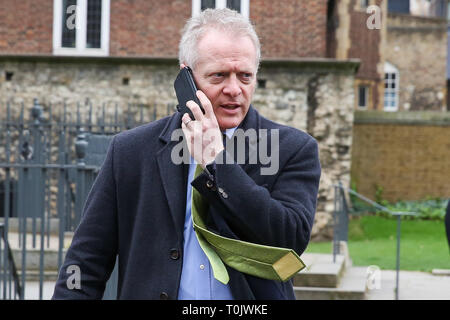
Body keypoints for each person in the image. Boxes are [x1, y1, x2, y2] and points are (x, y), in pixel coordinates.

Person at [52, 8, 321, 300]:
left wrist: (219, 163)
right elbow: (85, 262)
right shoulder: (130, 151)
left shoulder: (292, 149)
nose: (234, 89)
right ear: (186, 78)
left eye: (245, 76)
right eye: (219, 76)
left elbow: (290, 240)